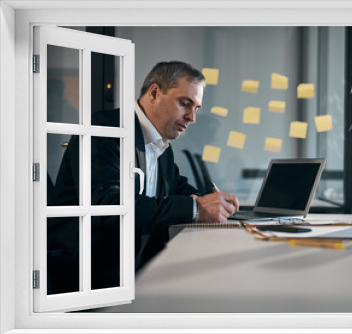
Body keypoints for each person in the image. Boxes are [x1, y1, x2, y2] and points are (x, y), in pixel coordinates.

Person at [50, 61, 239, 292]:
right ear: (155, 93)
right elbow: (108, 206)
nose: (192, 117)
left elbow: (177, 188)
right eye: (185, 103)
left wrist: (212, 201)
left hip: (131, 269)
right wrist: (197, 208)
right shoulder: (104, 130)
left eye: (196, 108)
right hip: (87, 276)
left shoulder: (160, 144)